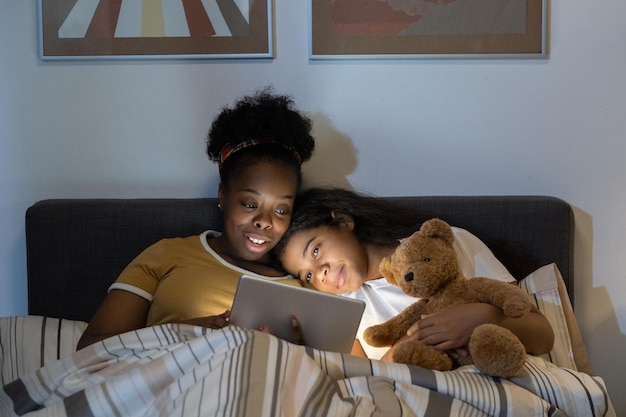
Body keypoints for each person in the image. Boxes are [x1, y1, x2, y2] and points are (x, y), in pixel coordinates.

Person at [77, 88, 315, 349]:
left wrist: (303, 351)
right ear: (223, 195)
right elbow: (90, 349)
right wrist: (188, 332)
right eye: (250, 204)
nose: (265, 221)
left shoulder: (306, 286)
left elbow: (354, 367)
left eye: (281, 210)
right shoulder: (167, 255)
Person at [273, 187, 555, 360]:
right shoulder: (344, 311)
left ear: (343, 221)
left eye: (315, 252)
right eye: (307, 276)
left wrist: (484, 316)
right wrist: (411, 343)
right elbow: (367, 386)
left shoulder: (443, 245)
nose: (319, 274)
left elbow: (544, 337)